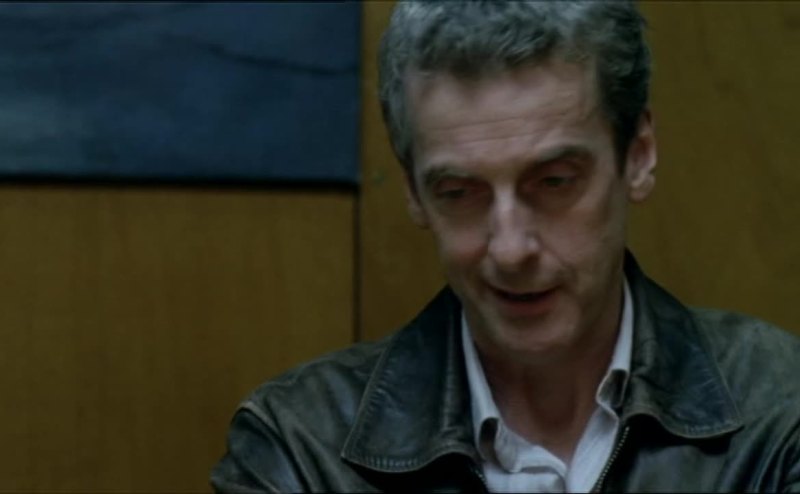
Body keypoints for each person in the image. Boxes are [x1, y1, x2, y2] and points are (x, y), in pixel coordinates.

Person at [211, 1, 800, 492]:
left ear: (638, 156)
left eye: (554, 182)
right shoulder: (301, 448)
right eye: (460, 193)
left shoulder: (780, 410)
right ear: (414, 192)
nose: (511, 249)